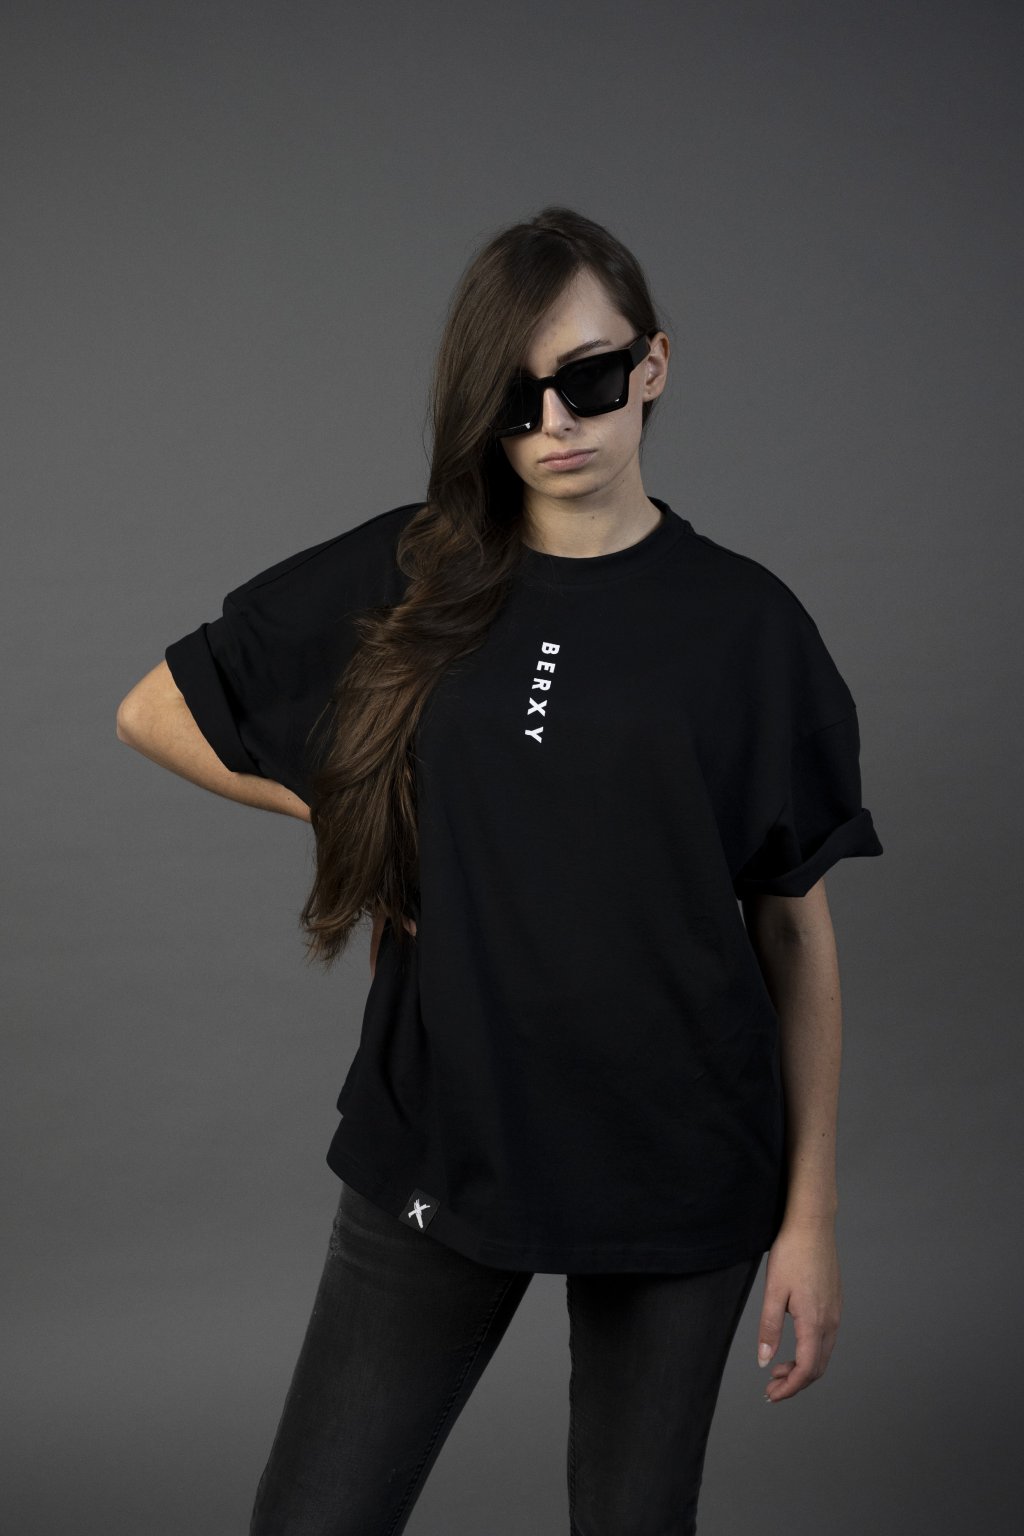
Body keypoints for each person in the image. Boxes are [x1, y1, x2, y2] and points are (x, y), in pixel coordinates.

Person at [116, 205, 884, 1536]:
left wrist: (807, 1218)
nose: (555, 425)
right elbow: (154, 710)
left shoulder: (749, 627)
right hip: (445, 1131)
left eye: (590, 378)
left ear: (653, 363)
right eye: (515, 401)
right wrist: (366, 825)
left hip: (681, 1160)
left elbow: (793, 932)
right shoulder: (416, 572)